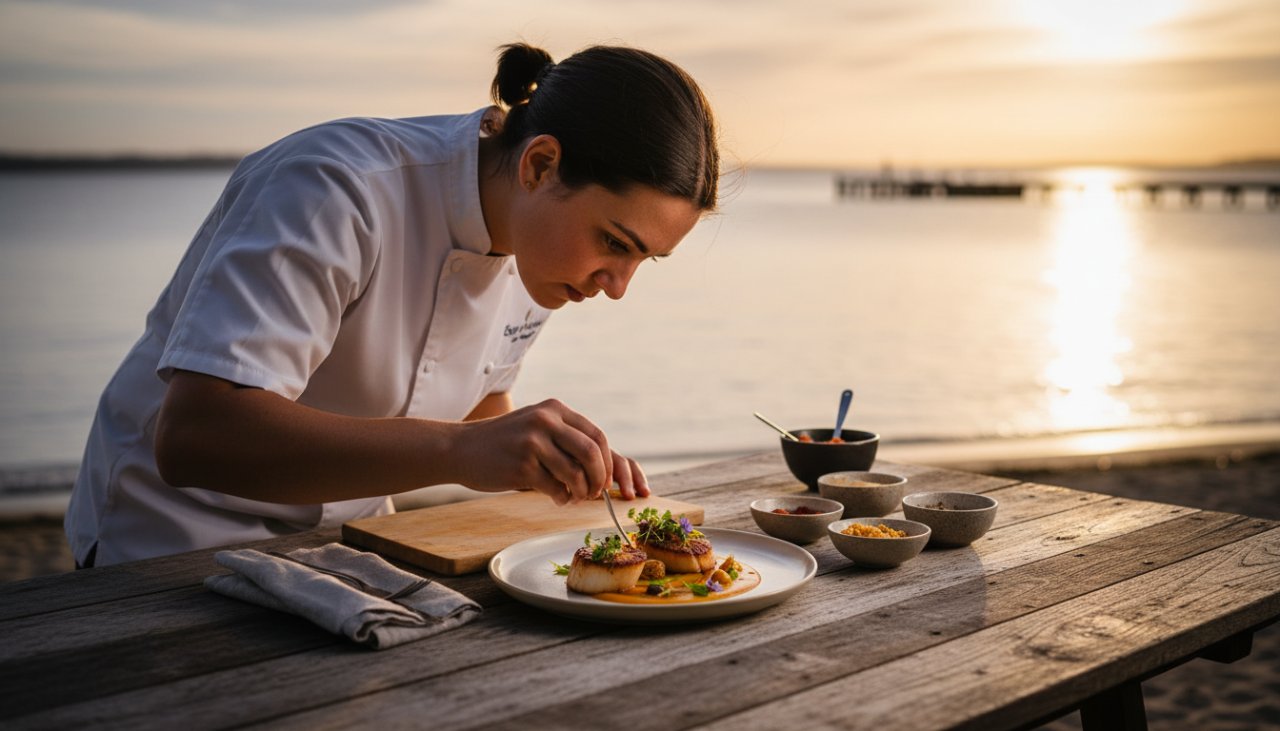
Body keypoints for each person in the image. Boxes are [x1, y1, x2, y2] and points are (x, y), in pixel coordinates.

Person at [64, 42, 720, 568]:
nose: (618, 285)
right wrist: (462, 450)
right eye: (614, 242)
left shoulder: (538, 247)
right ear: (539, 165)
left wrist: (552, 459)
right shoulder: (337, 187)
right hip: (172, 547)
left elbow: (474, 403)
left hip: (345, 549)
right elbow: (196, 437)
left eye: (644, 258)